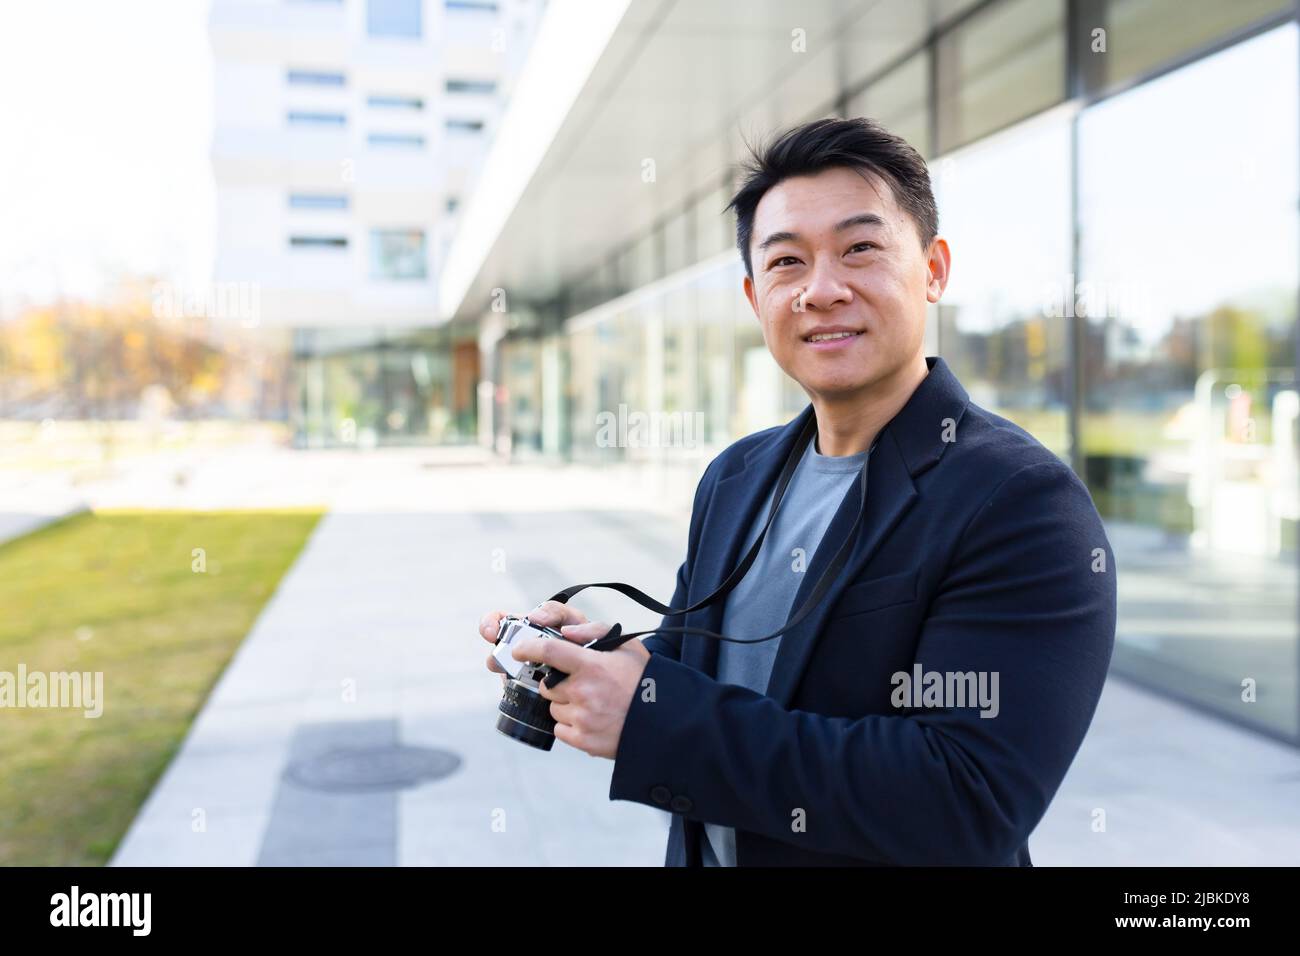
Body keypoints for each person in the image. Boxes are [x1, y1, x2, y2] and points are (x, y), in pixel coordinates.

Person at [477, 117, 1117, 866]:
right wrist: (602, 659)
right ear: (755, 297)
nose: (822, 290)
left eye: (860, 249)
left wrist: (653, 721)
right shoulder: (737, 475)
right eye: (787, 263)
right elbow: (709, 666)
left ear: (934, 268)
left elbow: (964, 799)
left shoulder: (1021, 502)